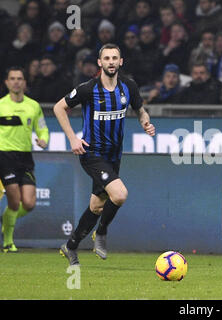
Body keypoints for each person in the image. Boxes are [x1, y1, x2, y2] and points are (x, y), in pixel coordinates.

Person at [53, 43, 155, 266]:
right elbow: (58, 108)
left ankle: (69, 246)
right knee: (119, 194)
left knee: (97, 206)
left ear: (121, 62)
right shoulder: (88, 89)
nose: (111, 62)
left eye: (114, 58)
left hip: (114, 155)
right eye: (106, 58)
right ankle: (101, 232)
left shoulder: (128, 86)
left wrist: (145, 122)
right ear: (100, 63)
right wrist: (72, 138)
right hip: (92, 153)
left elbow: (140, 109)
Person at [0, 66, 49, 253]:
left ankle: (6, 220)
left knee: (28, 203)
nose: (16, 81)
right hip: (4, 155)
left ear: (24, 83)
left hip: (25, 157)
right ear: (6, 82)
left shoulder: (33, 106)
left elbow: (42, 128)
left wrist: (44, 139)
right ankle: (8, 242)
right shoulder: (1, 105)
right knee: (14, 201)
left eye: (19, 78)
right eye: (12, 78)